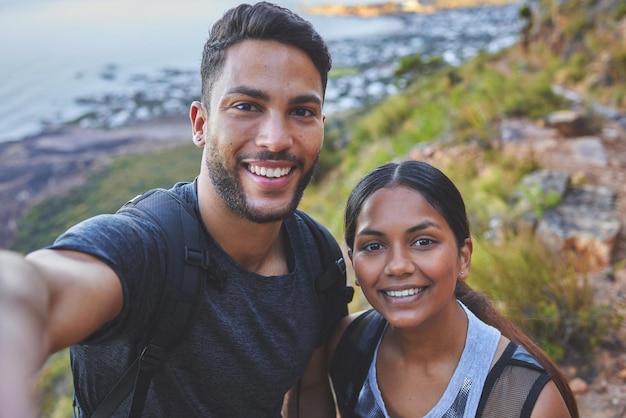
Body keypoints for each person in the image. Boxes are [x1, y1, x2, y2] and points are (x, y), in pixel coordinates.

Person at [0, 2, 349, 417]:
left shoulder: (317, 257)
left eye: (302, 112)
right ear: (200, 125)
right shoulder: (148, 247)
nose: (276, 138)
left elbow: (308, 389)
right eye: (246, 106)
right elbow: (40, 288)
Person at [328, 160, 579, 417]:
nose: (398, 266)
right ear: (353, 263)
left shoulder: (524, 400)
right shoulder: (348, 345)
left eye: (423, 241)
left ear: (463, 258)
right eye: (373, 246)